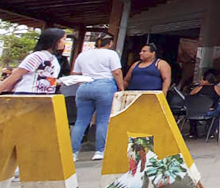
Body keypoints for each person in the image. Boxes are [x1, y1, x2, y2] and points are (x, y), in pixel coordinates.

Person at [70, 33, 126, 161]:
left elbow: (76, 73)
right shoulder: (111, 54)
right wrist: (121, 88)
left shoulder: (83, 55)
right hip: (104, 85)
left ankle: (73, 153)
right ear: (110, 43)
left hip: (84, 86)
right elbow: (116, 72)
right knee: (103, 119)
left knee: (81, 121)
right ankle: (99, 151)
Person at [0, 28, 67, 94]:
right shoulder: (37, 56)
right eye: (64, 39)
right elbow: (17, 75)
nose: (65, 42)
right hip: (27, 94)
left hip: (45, 95)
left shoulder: (53, 58)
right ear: (55, 40)